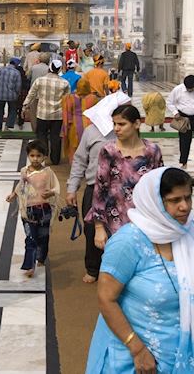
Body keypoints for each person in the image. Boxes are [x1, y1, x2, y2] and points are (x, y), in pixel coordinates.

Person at [86, 167, 194, 374]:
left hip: (179, 353)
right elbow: (105, 298)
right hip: (134, 358)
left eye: (188, 198)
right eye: (175, 200)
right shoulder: (128, 241)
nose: (185, 207)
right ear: (153, 201)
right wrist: (136, 349)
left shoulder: (187, 232)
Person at [66, 92, 130, 284]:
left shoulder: (129, 134)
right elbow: (79, 160)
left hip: (122, 191)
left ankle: (118, 270)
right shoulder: (91, 132)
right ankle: (93, 268)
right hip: (94, 189)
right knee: (92, 229)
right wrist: (72, 187)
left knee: (122, 230)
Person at [86, 104, 163, 250]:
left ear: (137, 124)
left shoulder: (152, 151)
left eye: (122, 124)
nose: (116, 128)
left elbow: (159, 188)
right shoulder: (109, 151)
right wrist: (99, 227)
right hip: (116, 220)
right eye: (114, 124)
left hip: (145, 221)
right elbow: (100, 189)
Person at [6, 140, 60, 278]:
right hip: (28, 211)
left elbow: (56, 187)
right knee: (30, 238)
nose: (35, 159)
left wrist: (51, 193)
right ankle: (29, 265)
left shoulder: (48, 172)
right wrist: (13, 194)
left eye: (38, 156)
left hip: (44, 210)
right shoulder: (24, 171)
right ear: (28, 156)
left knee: (43, 236)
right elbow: (21, 185)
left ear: (44, 157)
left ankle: (41, 257)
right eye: (32, 155)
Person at [23, 60, 70, 165]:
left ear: (49, 68)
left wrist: (25, 105)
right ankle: (55, 159)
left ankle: (44, 155)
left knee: (42, 135)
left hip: (42, 114)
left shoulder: (40, 81)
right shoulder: (64, 83)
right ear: (59, 70)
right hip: (58, 115)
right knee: (55, 137)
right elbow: (68, 99)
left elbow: (31, 94)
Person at [167, 75, 194, 171]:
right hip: (184, 118)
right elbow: (169, 102)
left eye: (192, 89)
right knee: (184, 140)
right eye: (188, 89)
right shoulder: (178, 89)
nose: (190, 90)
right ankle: (184, 162)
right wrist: (175, 112)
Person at [60, 79, 99, 164]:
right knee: (88, 147)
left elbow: (67, 113)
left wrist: (66, 127)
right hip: (89, 125)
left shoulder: (69, 98)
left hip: (74, 126)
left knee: (73, 147)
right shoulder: (93, 98)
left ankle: (75, 166)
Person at [0, 59, 23, 132]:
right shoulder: (16, 72)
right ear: (16, 64)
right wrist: (17, 93)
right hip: (12, 96)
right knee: (12, 110)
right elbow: (18, 86)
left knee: (0, 110)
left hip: (1, 94)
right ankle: (7, 126)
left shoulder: (1, 70)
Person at [12, 58, 30, 129]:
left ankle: (13, 121)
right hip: (23, 96)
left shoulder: (15, 77)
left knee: (14, 108)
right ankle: (21, 122)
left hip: (16, 95)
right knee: (21, 109)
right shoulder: (25, 78)